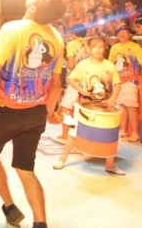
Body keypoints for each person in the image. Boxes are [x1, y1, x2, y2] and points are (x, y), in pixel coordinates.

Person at [0, 0, 65, 228]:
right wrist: (50, 111)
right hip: (35, 112)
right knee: (26, 168)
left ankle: (9, 207)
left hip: (6, 110)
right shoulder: (57, 37)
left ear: (33, 7)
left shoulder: (13, 28)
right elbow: (56, 83)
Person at [53, 36, 123, 174]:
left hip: (104, 107)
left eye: (101, 46)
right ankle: (62, 159)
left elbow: (117, 84)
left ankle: (110, 165)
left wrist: (112, 99)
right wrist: (82, 90)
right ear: (89, 49)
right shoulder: (83, 64)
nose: (98, 49)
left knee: (110, 135)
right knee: (74, 132)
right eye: (95, 46)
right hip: (84, 105)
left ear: (104, 48)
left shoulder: (109, 65)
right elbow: (71, 79)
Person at [53, 24, 89, 144]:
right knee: (84, 108)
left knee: (65, 107)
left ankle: (65, 136)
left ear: (73, 33)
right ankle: (83, 137)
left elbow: (71, 65)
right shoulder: (89, 43)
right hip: (90, 79)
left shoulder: (72, 44)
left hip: (76, 79)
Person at [108, 25, 142, 142]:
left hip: (131, 80)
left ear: (130, 34)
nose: (122, 34)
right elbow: (110, 65)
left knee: (130, 106)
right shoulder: (114, 48)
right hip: (117, 81)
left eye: (125, 32)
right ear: (117, 34)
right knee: (120, 105)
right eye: (120, 32)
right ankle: (122, 131)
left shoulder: (135, 47)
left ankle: (135, 133)